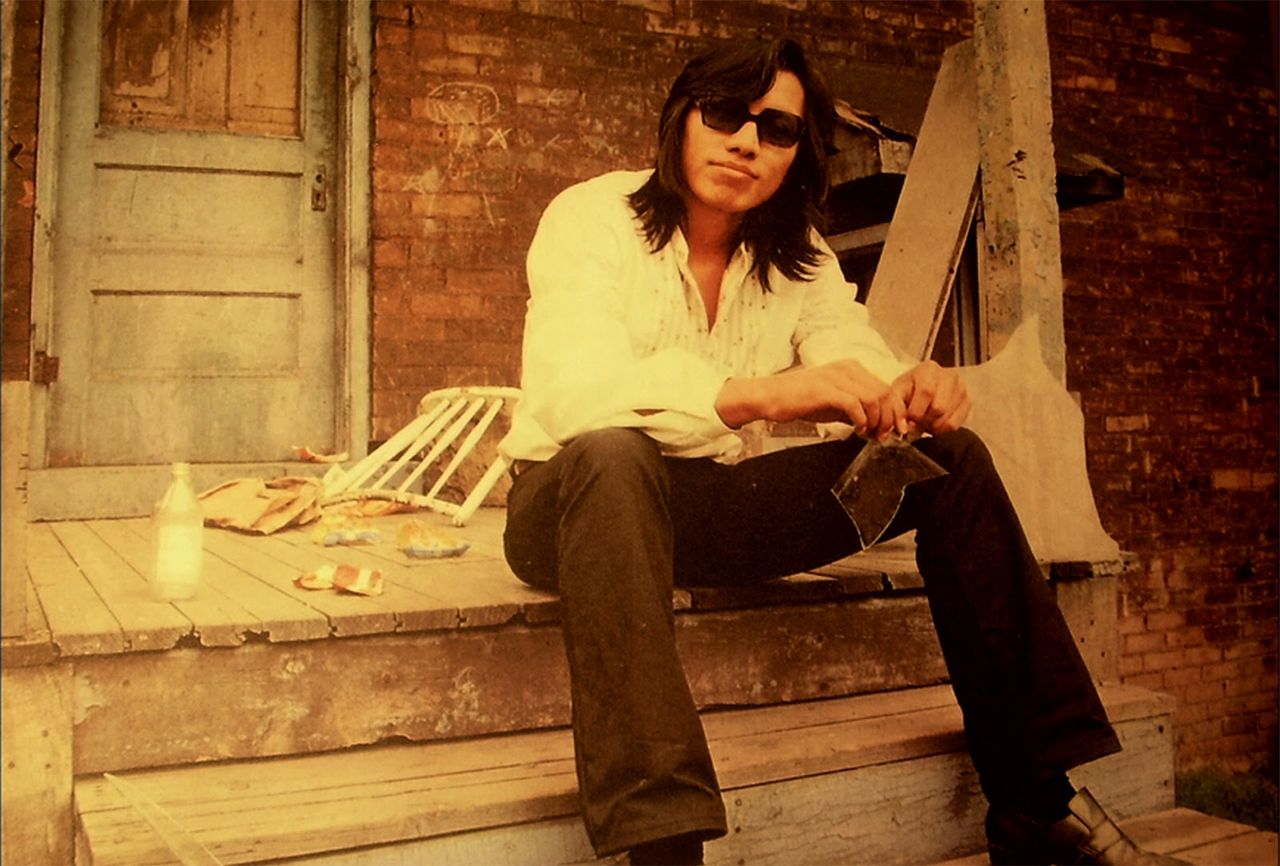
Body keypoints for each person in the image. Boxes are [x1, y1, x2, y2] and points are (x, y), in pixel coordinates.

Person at [498, 37, 1184, 866]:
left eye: (777, 129)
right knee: (614, 454)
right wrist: (766, 394)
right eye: (725, 115)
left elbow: (848, 348)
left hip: (702, 508)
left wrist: (908, 392)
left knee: (949, 460)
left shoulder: (797, 253)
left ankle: (1037, 803)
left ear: (797, 152)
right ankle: (662, 849)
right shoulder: (593, 217)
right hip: (570, 510)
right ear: (681, 118)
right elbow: (574, 395)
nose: (745, 143)